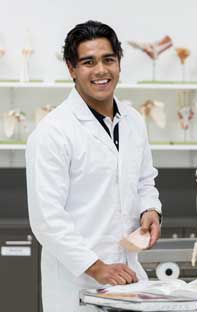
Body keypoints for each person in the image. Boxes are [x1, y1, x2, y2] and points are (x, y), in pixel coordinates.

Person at [26, 21, 162, 311]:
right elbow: (47, 219)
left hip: (128, 276)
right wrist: (96, 266)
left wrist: (150, 209)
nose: (101, 70)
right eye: (88, 62)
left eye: (108, 60)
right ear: (71, 69)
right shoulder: (54, 132)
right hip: (77, 285)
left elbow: (144, 179)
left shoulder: (133, 121)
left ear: (119, 64)